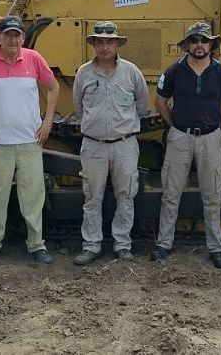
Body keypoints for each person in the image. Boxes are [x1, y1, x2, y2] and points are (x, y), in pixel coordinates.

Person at [0, 15, 60, 267]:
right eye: (8, 35)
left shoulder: (33, 59)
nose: (12, 39)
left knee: (32, 195)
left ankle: (36, 244)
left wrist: (47, 121)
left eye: (17, 35)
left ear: (23, 38)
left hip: (30, 141)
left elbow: (53, 87)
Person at [150, 22, 221, 269]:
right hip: (180, 136)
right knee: (171, 192)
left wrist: (216, 126)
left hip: (210, 138)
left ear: (211, 44)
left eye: (204, 41)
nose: (199, 45)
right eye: (194, 40)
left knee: (212, 194)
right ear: (187, 45)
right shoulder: (174, 72)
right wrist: (173, 126)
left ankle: (216, 247)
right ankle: (164, 244)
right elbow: (160, 101)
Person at [71, 21, 149, 265]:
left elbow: (142, 105)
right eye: (100, 41)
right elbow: (78, 108)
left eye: (109, 41)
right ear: (94, 44)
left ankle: (122, 244)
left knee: (126, 195)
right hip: (93, 145)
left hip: (124, 144)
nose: (104, 46)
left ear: (117, 44)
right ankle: (91, 245)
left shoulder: (131, 72)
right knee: (92, 196)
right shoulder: (83, 73)